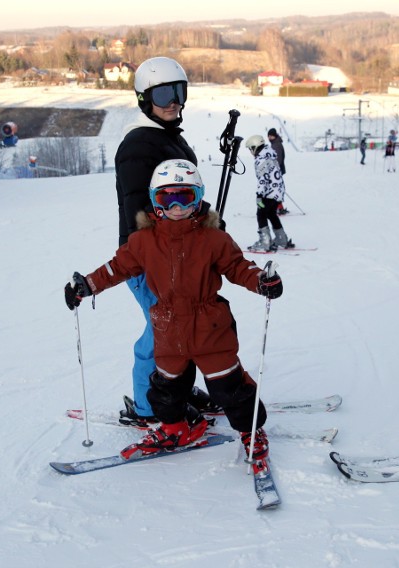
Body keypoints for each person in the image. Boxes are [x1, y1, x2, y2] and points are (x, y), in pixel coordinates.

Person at [64, 159, 283, 461]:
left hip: (211, 329)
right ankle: (175, 427)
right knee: (165, 389)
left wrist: (260, 281)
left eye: (186, 196)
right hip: (168, 329)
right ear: (155, 201)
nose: (177, 206)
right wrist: (87, 285)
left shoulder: (214, 239)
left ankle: (251, 431)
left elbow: (237, 267)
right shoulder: (142, 242)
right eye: (167, 198)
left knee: (229, 389)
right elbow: (116, 268)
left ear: (199, 198)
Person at [114, 56, 216, 427]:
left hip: (179, 256)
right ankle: (148, 404)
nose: (174, 101)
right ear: (144, 99)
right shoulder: (139, 146)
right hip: (149, 261)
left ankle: (178, 390)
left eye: (179, 91)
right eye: (163, 94)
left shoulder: (167, 137)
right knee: (163, 331)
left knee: (184, 327)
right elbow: (140, 210)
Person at [246, 134, 294, 251]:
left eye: (250, 149)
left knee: (261, 214)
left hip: (268, 193)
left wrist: (259, 195)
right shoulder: (270, 155)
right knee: (271, 214)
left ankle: (265, 241)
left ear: (255, 147)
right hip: (277, 192)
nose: (250, 152)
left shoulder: (261, 159)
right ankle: (281, 239)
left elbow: (263, 179)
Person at [267, 128, 289, 215]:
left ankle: (278, 208)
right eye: (268, 136)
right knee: (275, 189)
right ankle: (279, 207)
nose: (269, 138)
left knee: (275, 189)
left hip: (276, 171)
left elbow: (278, 159)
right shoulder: (275, 144)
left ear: (275, 136)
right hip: (277, 171)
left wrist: (273, 170)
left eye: (271, 136)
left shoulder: (276, 145)